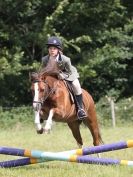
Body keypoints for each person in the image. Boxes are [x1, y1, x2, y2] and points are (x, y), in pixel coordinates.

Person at [42, 36, 87, 120]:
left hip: (69, 74)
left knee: (76, 85)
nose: (52, 50)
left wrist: (63, 76)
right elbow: (45, 71)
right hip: (54, 77)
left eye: (54, 48)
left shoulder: (65, 59)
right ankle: (42, 108)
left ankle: (80, 109)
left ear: (58, 50)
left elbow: (69, 72)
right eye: (50, 48)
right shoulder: (45, 59)